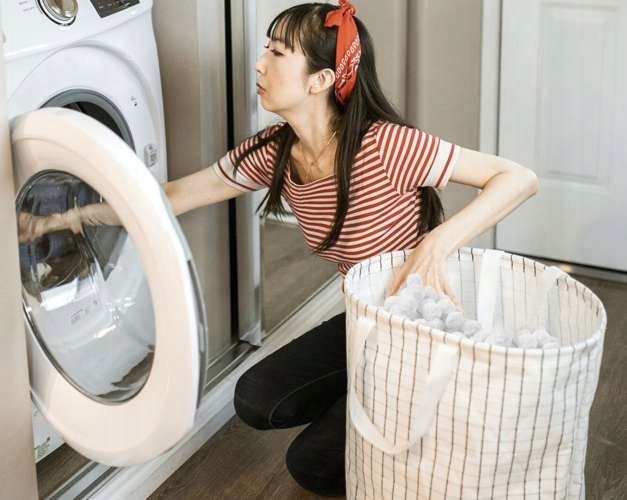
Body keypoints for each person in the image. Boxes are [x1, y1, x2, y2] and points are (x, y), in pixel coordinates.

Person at [17, 1, 538, 496]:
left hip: (424, 337)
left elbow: (518, 178)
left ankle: (429, 411)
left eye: (278, 52)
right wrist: (63, 218)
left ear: (321, 80)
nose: (260, 62)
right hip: (366, 326)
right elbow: (167, 198)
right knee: (255, 400)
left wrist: (437, 243)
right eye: (266, 47)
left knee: (311, 465)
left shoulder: (384, 145)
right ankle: (375, 400)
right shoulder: (276, 152)